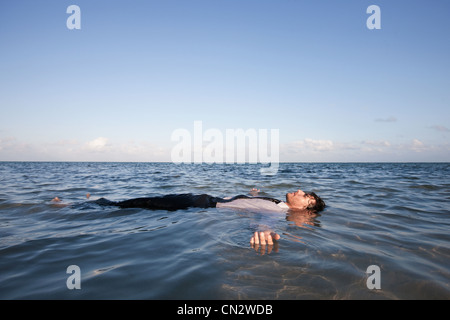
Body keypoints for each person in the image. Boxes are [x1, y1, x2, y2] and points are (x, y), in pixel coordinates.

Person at [96, 188, 326, 249]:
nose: (299, 191)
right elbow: (253, 204)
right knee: (145, 202)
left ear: (306, 210)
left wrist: (264, 231)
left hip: (201, 204)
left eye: (305, 195)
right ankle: (96, 204)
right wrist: (254, 194)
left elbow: (263, 220)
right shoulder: (278, 203)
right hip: (202, 201)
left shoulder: (277, 213)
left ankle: (91, 205)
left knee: (144, 203)